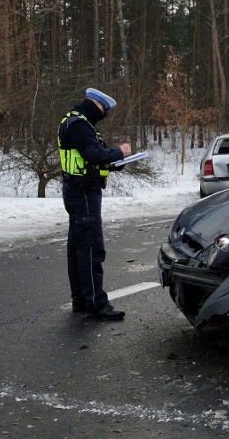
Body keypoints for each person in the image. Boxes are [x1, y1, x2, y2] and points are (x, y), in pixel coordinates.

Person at [57, 87, 131, 319]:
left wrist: (117, 160)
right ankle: (97, 305)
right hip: (84, 192)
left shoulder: (78, 123)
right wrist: (119, 152)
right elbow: (93, 155)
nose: (105, 115)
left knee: (77, 248)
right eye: (104, 110)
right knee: (90, 249)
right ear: (95, 105)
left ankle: (81, 300)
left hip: (78, 190)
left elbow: (93, 158)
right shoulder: (80, 124)